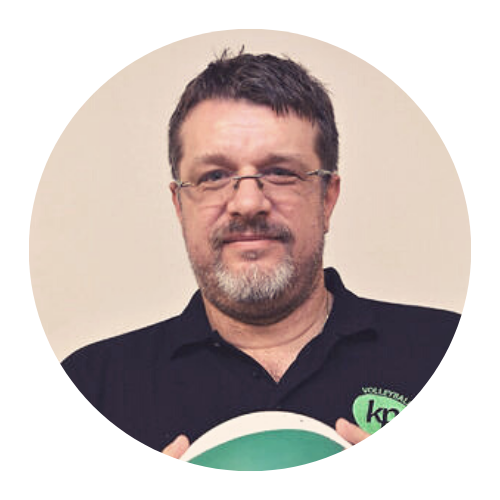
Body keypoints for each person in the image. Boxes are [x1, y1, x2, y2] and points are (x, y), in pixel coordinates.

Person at [62, 51, 460, 463]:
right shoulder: (90, 391)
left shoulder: (451, 355)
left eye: (281, 172)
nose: (248, 203)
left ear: (327, 198)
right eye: (214, 176)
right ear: (180, 205)